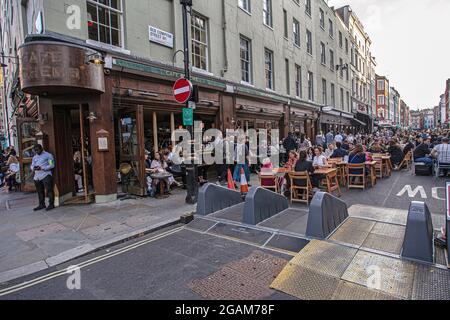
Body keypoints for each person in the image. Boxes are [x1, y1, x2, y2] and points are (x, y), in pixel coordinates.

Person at [31, 144, 55, 211]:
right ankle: (41, 204)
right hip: (37, 176)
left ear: (41, 149)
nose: (36, 152)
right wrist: (33, 168)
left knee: (49, 190)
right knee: (39, 191)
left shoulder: (48, 155)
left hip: (45, 175)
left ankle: (51, 204)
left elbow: (51, 165)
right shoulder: (34, 157)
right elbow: (32, 165)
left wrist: (42, 168)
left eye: (37, 150)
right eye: (35, 150)